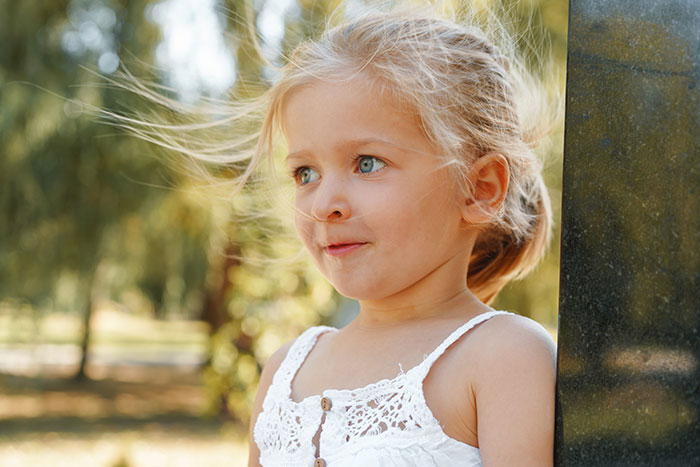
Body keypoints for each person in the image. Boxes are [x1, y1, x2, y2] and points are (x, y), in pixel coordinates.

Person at [242, 7, 558, 467]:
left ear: (479, 188)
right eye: (305, 172)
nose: (323, 203)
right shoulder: (285, 370)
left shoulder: (501, 357)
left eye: (367, 163)